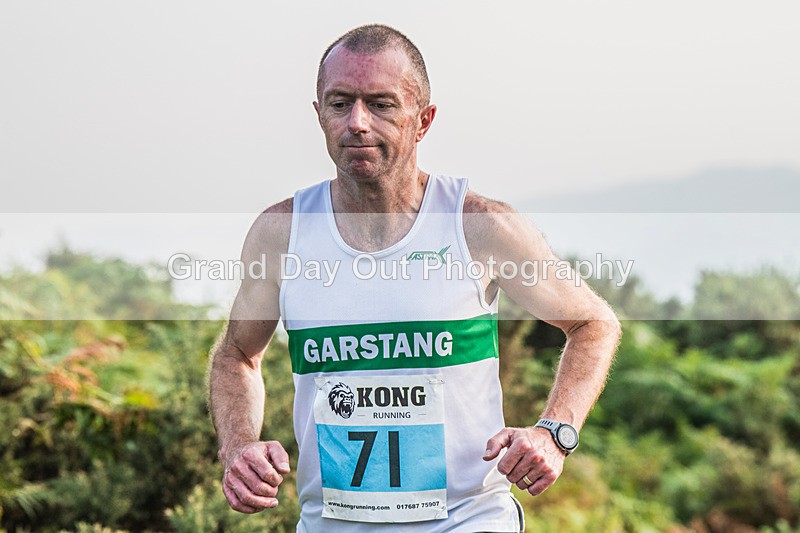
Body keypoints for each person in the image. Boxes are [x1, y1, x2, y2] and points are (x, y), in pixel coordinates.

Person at [208, 24, 621, 532]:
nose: (357, 122)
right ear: (319, 114)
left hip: (467, 520)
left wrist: (553, 433)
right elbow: (236, 355)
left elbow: (593, 324)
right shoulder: (282, 233)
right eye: (340, 104)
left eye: (381, 104)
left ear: (423, 120)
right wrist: (238, 446)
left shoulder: (479, 226)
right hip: (332, 523)